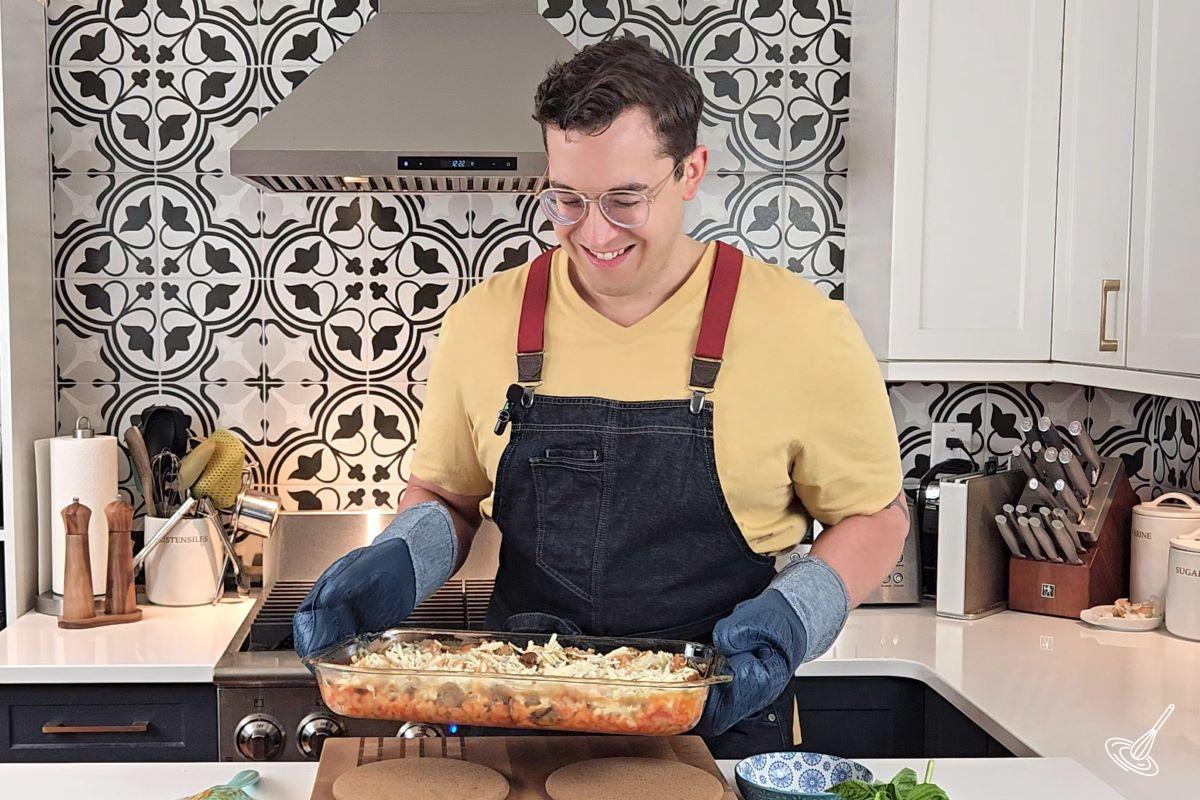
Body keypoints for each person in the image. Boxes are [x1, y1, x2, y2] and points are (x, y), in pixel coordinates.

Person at [294, 37, 907, 758]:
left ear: (690, 172)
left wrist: (793, 616)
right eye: (567, 199)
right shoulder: (484, 322)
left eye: (623, 199)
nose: (593, 231)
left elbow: (875, 516)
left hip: (721, 717)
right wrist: (400, 555)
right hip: (519, 714)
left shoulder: (803, 331)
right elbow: (448, 497)